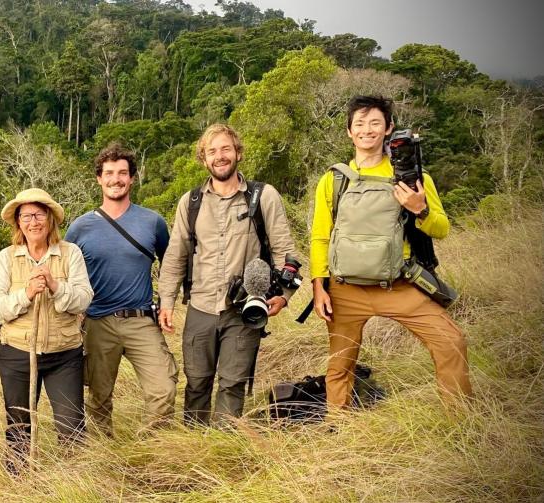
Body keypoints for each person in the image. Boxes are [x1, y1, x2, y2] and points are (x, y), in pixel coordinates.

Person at [310, 95, 471, 409]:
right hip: (346, 289)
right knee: (340, 364)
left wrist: (420, 209)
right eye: (359, 124)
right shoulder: (333, 180)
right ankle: (338, 426)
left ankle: (460, 420)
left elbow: (442, 228)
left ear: (388, 128)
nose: (367, 130)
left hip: (399, 285)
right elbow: (320, 237)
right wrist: (319, 286)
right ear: (349, 131)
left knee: (450, 342)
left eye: (375, 123)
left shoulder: (413, 177)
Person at [157, 124, 299, 426]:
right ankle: (193, 442)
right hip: (200, 307)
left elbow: (284, 249)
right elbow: (176, 254)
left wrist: (283, 296)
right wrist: (166, 301)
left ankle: (224, 445)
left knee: (233, 383)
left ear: (238, 153)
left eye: (225, 149)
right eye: (212, 151)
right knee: (196, 382)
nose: (219, 156)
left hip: (244, 309)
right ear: (203, 159)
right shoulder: (190, 203)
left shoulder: (263, 196)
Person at [65, 143, 177, 436]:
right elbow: (65, 274)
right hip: (98, 322)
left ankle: (150, 446)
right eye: (109, 173)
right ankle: (106, 453)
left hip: (142, 320)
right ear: (99, 179)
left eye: (123, 173)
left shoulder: (152, 222)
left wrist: (167, 302)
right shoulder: (79, 228)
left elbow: (172, 265)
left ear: (132, 178)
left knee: (164, 388)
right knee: (99, 399)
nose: (116, 179)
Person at [0, 188, 93, 471]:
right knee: (19, 426)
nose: (33, 222)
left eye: (39, 215)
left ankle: (76, 483)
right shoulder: (7, 257)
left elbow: (84, 299)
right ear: (18, 223)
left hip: (64, 354)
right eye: (26, 216)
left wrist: (56, 286)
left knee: (71, 426)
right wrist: (27, 293)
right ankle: (19, 482)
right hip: (17, 354)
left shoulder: (70, 253)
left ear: (50, 218)